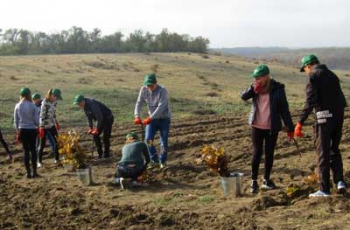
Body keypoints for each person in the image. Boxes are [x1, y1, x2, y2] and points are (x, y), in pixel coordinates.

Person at [295, 54, 347, 197]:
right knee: (334, 149)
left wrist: (300, 122)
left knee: (323, 151)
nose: (306, 72)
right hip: (338, 117)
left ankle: (324, 189)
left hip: (323, 118)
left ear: (308, 65)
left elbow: (310, 101)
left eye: (305, 69)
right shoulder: (332, 75)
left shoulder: (313, 76)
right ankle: (340, 181)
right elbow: (341, 99)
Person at [240, 64, 294, 193]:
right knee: (257, 153)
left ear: (266, 76)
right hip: (256, 125)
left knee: (269, 154)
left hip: (271, 127)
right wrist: (252, 89)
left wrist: (290, 127)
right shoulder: (255, 87)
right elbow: (243, 97)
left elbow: (284, 109)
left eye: (258, 77)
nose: (256, 79)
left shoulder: (278, 88)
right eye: (255, 77)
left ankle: (266, 180)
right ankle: (253, 182)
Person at [134, 73, 171, 169]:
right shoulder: (143, 89)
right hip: (152, 120)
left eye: (151, 85)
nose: (149, 87)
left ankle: (163, 161)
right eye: (148, 85)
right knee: (148, 140)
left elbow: (161, 107)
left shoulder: (162, 91)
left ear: (156, 83)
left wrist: (150, 118)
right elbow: (139, 103)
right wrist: (137, 116)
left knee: (163, 141)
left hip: (164, 119)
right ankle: (154, 160)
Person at [14, 87, 39, 178]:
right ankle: (35, 172)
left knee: (26, 151)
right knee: (33, 150)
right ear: (29, 95)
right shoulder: (33, 106)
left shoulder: (17, 106)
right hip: (32, 130)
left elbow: (16, 121)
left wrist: (17, 131)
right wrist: (38, 127)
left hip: (22, 130)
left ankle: (28, 172)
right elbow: (36, 120)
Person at [38, 88, 62, 164]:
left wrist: (56, 123)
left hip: (51, 124)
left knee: (57, 141)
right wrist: (41, 127)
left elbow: (53, 114)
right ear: (52, 95)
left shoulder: (55, 102)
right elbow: (42, 116)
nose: (57, 99)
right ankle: (39, 162)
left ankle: (57, 159)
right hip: (44, 126)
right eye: (56, 97)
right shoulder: (44, 103)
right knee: (42, 144)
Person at [32, 93, 55, 167]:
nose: (35, 101)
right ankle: (38, 160)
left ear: (39, 98)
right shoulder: (33, 106)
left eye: (36, 99)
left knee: (52, 140)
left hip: (47, 125)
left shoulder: (44, 104)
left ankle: (55, 154)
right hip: (39, 127)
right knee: (39, 143)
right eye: (34, 100)